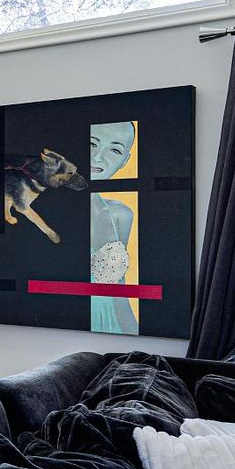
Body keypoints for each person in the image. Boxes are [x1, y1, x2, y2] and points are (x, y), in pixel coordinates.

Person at [89, 121, 138, 335]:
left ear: (125, 160)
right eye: (92, 144)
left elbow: (118, 291)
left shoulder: (121, 214)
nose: (99, 157)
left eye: (115, 150)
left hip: (110, 326)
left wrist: (137, 340)